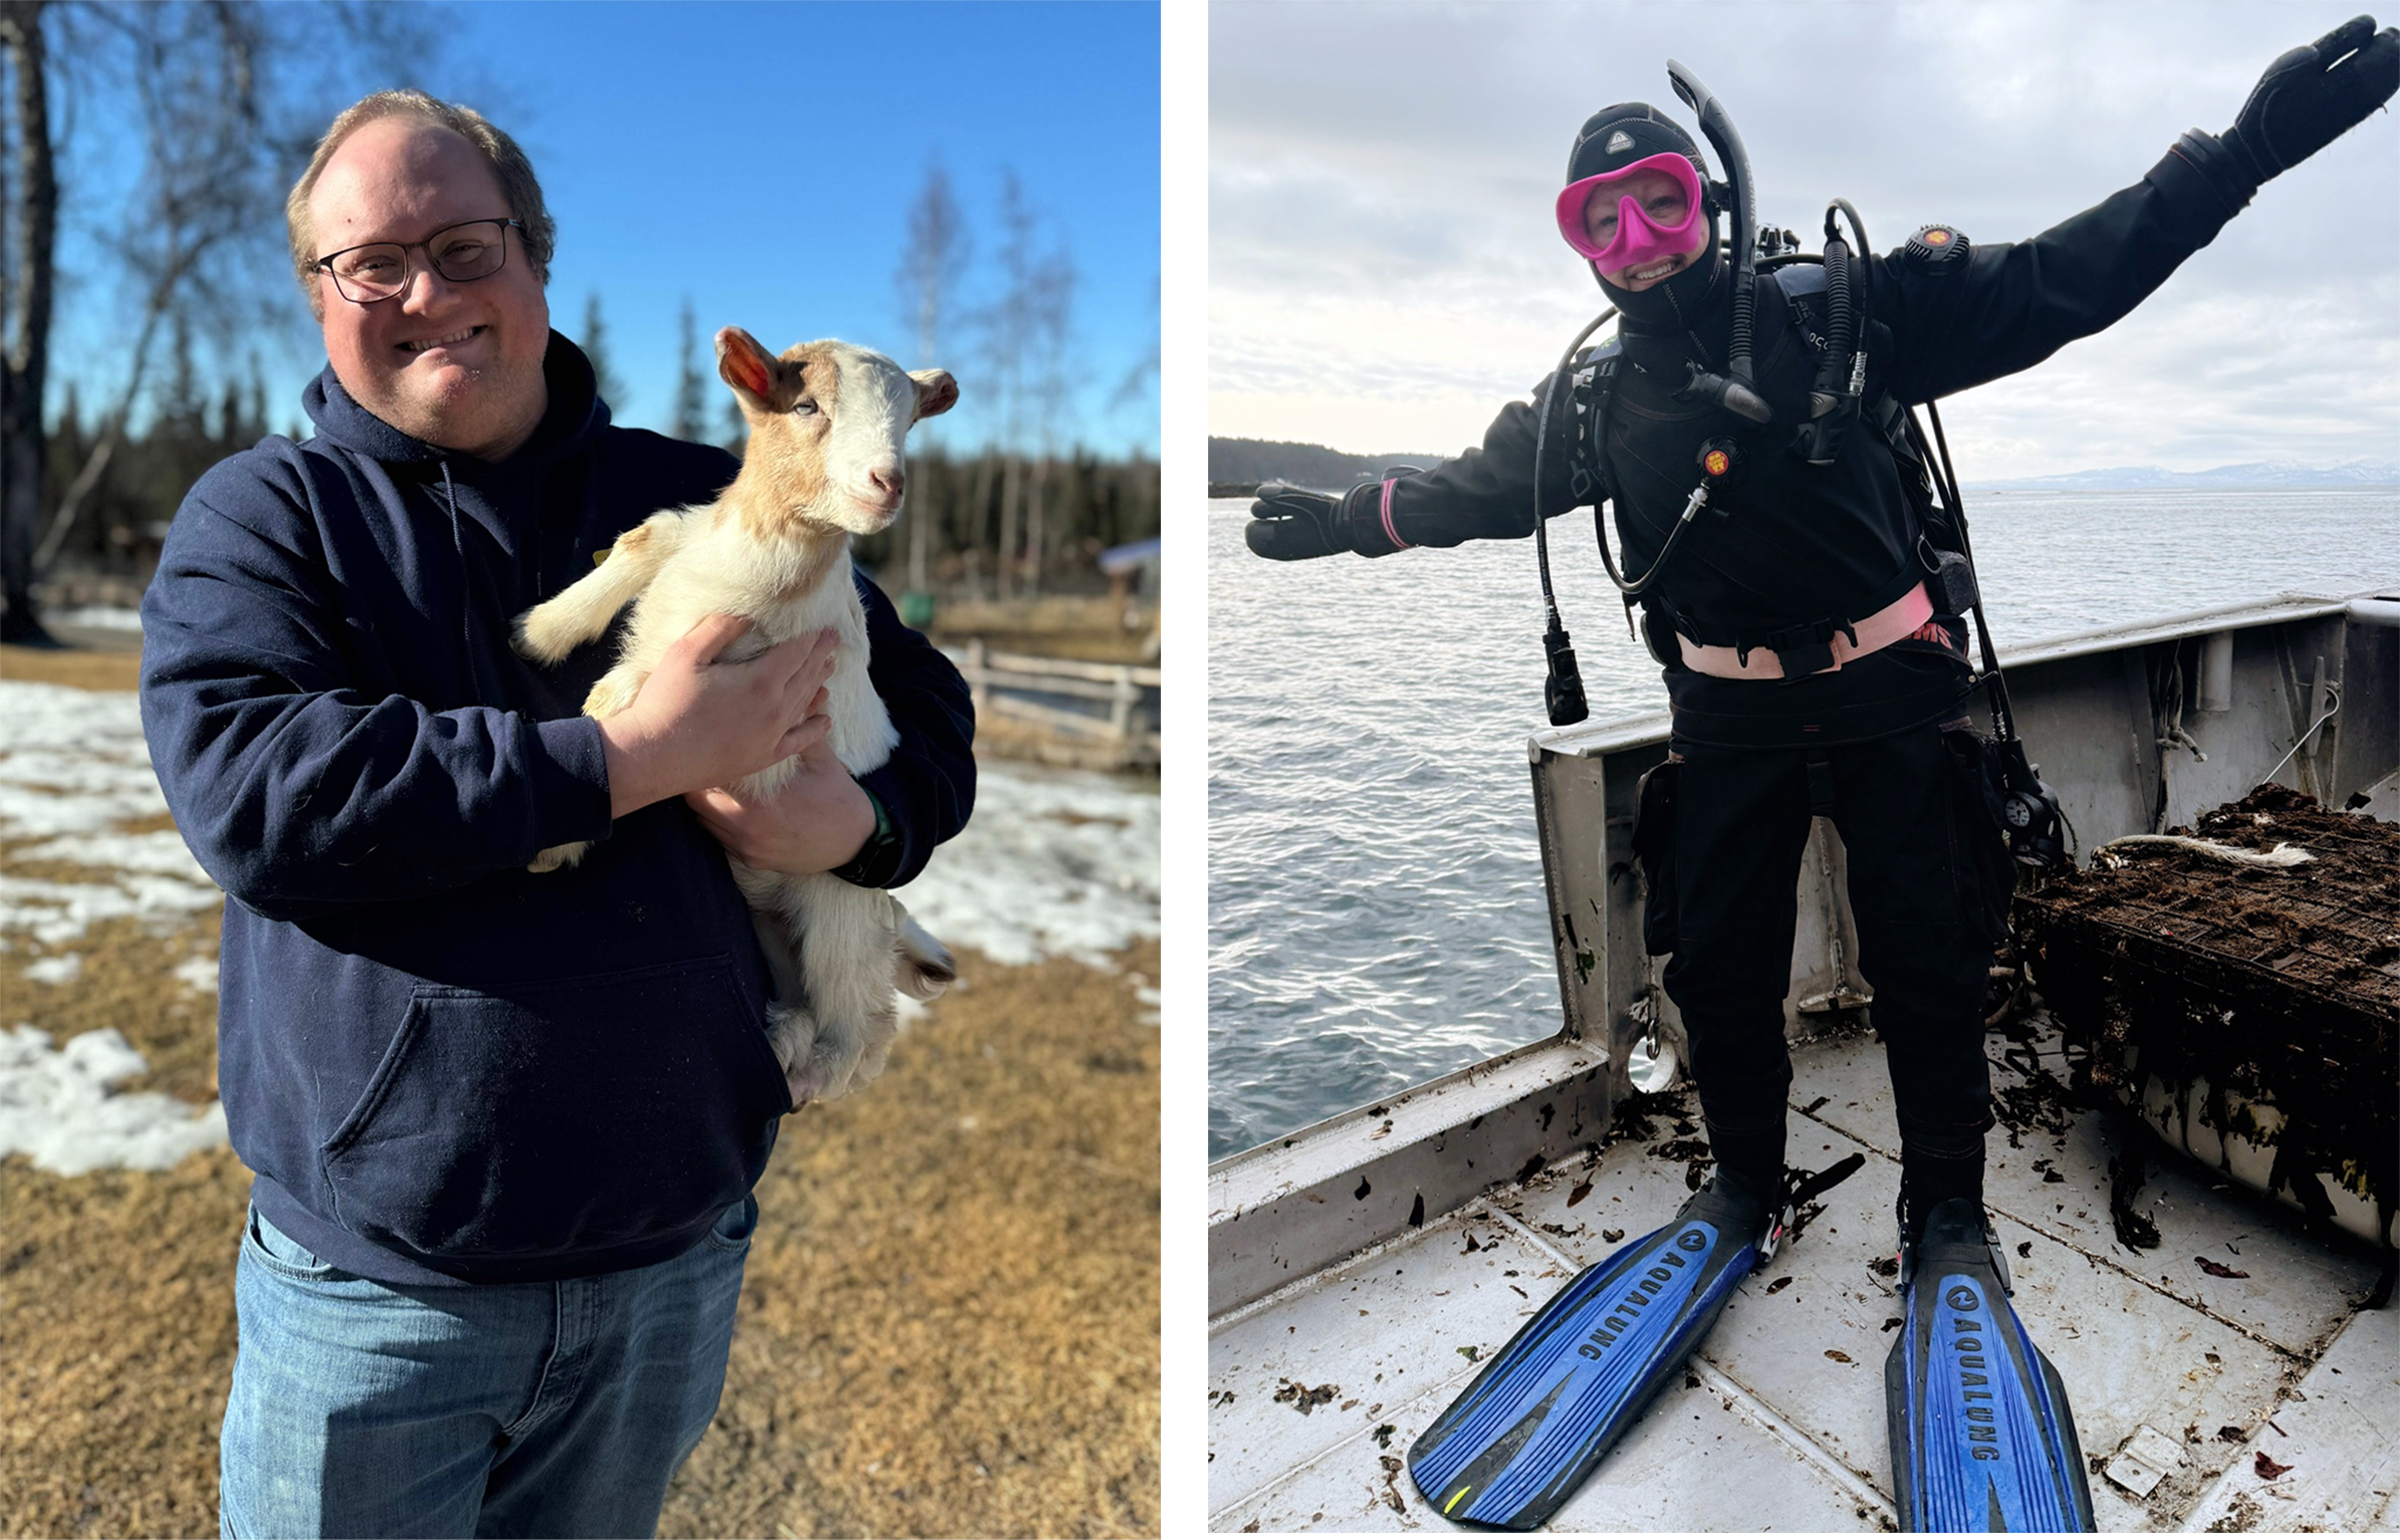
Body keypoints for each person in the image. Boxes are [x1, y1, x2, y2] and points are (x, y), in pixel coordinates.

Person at [1249, 20, 2396, 1532]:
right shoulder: (1594, 405)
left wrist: (2238, 154)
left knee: (1930, 964)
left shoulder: (1852, 311)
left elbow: (2072, 276)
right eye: (1600, 220)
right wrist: (1344, 518)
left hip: (1895, 697)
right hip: (1719, 722)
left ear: (1711, 201)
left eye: (1661, 201)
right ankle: (1741, 1190)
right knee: (1718, 976)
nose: (1637, 243)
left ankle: (1950, 1219)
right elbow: (1469, 490)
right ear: (1575, 245)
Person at [138, 89, 974, 1538]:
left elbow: (929, 714)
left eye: (465, 250)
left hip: (670, 1262)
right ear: (319, 296)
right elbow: (260, 798)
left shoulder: (707, 492)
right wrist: (623, 759)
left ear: (536, 259)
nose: (425, 297)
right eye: (371, 265)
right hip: (377, 1300)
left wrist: (860, 830)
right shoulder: (262, 519)